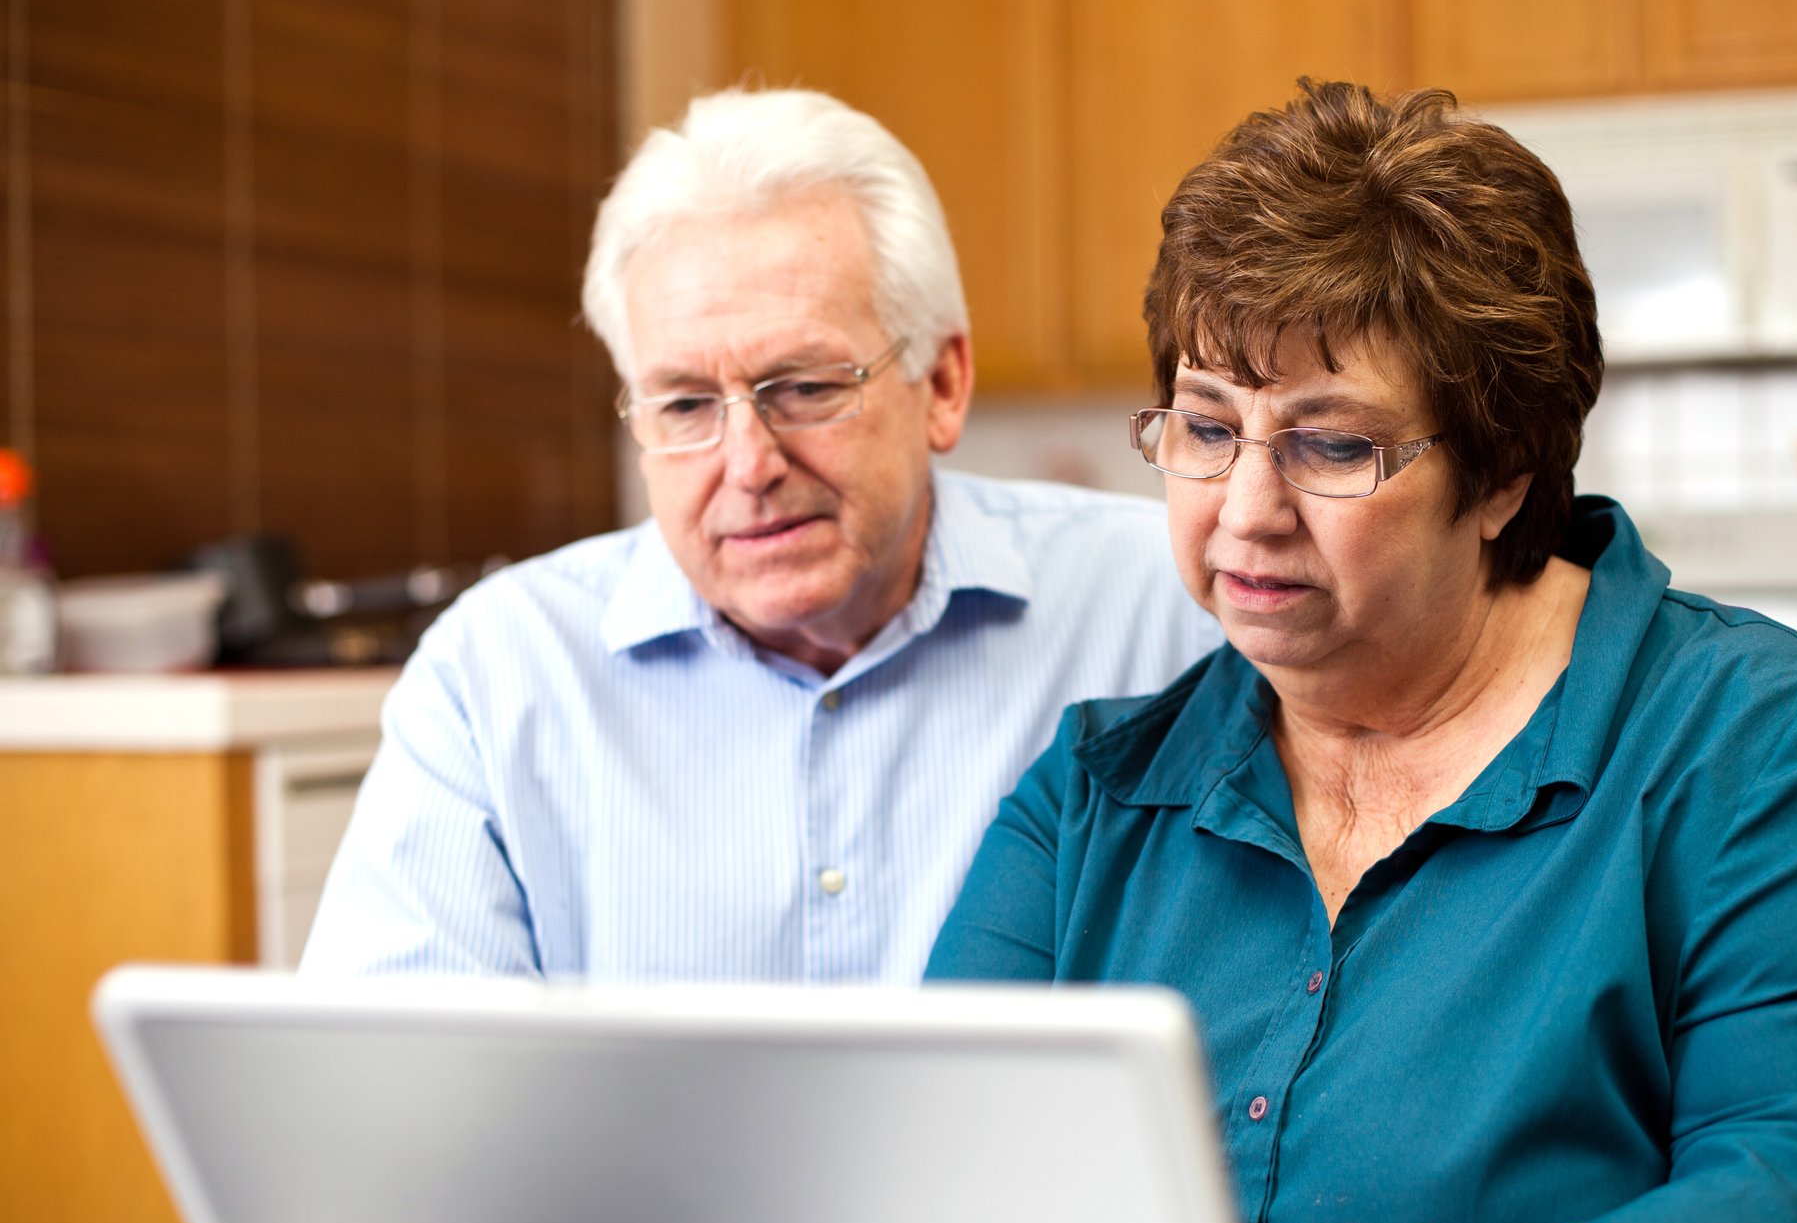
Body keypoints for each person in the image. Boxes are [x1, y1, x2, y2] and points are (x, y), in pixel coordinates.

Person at [926, 80, 1797, 1223]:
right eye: (1205, 426)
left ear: (1503, 473)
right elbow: (942, 1208)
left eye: (1330, 444)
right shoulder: (1088, 805)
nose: (1244, 509)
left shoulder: (1770, 756)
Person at [292, 86, 1221, 984]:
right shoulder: (497, 675)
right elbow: (392, 1087)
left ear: (941, 383)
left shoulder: (1173, 608)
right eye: (687, 403)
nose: (748, 464)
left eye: (806, 387)